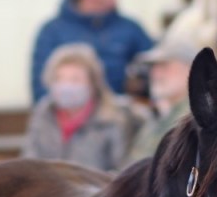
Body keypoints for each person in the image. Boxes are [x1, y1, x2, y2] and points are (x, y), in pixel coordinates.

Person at [29, 0, 152, 103]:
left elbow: (154, 69)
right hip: (69, 117)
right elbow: (41, 89)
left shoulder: (130, 29)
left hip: (120, 118)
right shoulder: (53, 33)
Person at [23, 43, 134, 172]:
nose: (66, 86)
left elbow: (123, 171)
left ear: (93, 83)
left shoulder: (115, 118)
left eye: (75, 79)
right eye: (59, 79)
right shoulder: (43, 114)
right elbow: (29, 163)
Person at [126, 40, 197, 163]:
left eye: (164, 66)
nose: (155, 73)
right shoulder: (158, 115)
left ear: (190, 69)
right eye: (153, 67)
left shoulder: (197, 118)